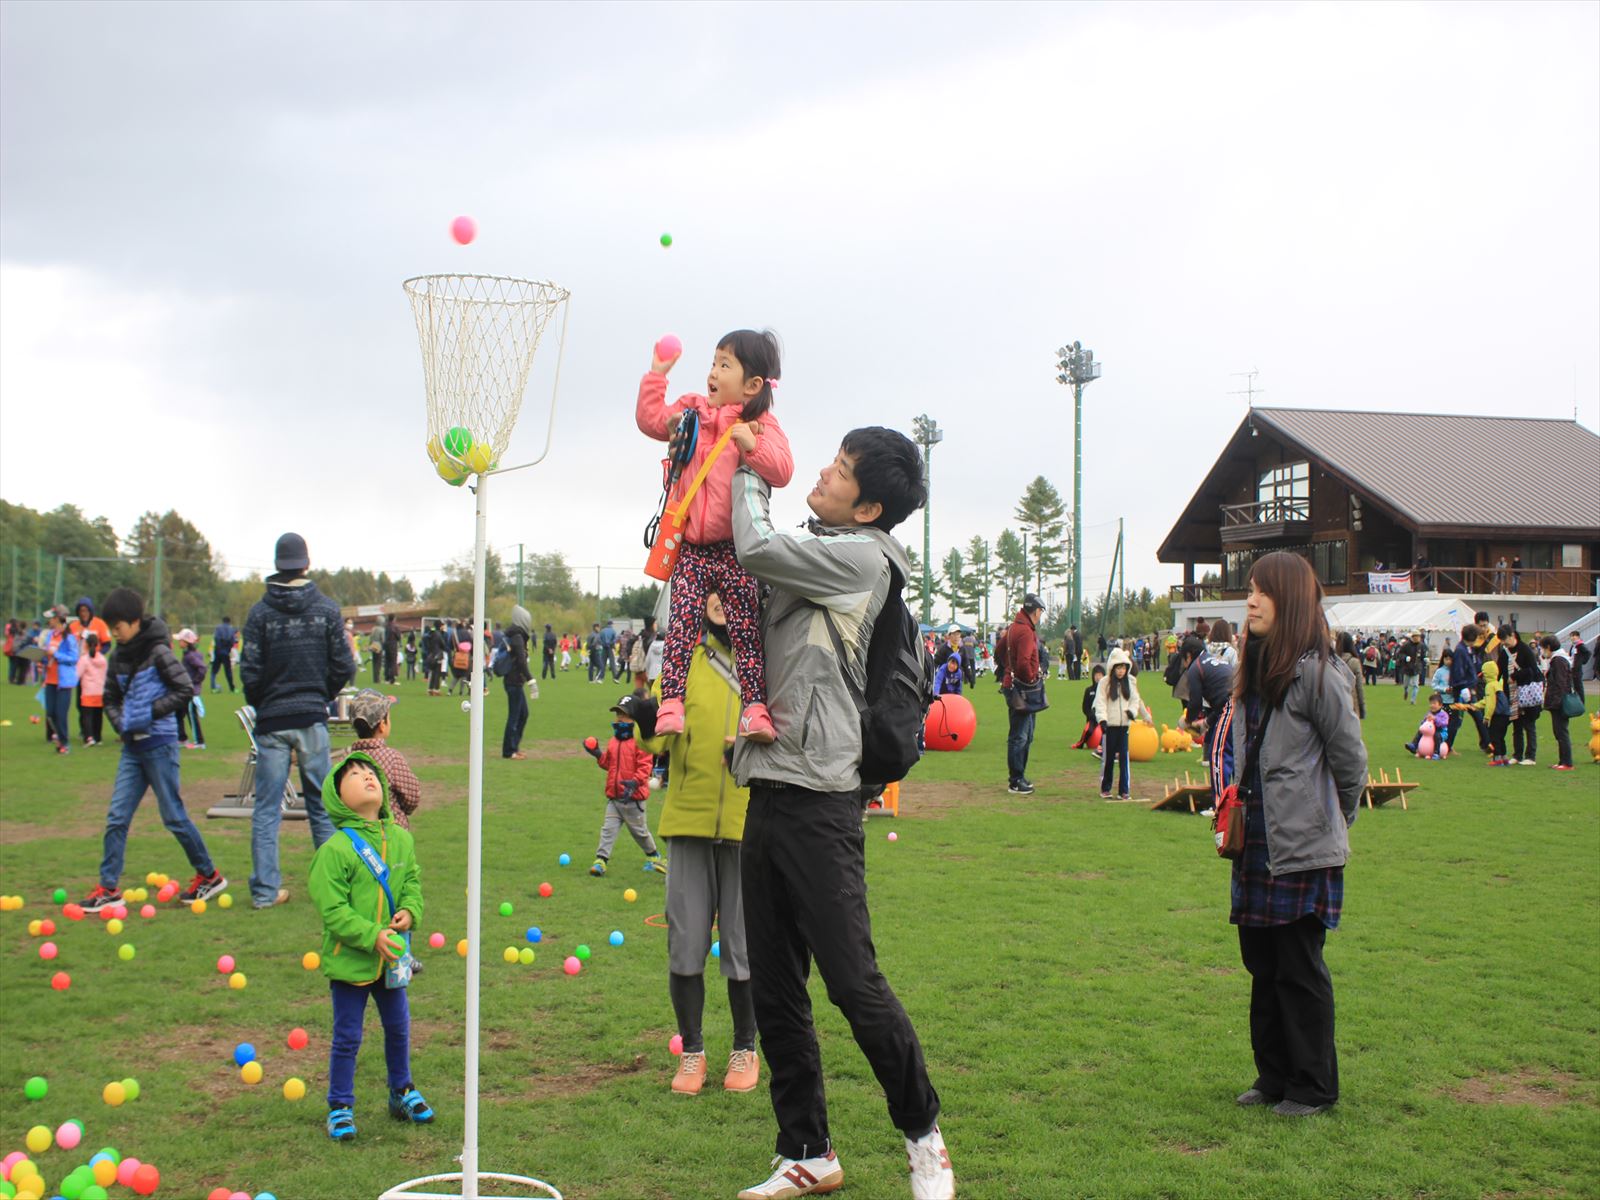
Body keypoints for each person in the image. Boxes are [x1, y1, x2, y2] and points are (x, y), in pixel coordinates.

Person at [727, 428, 953, 1200]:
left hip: (823, 799)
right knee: (775, 988)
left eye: (841, 470)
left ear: (871, 506)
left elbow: (753, 545)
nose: (823, 472)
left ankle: (924, 1137)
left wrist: (744, 464)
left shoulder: (863, 558)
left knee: (853, 982)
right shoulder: (821, 549)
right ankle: (806, 1149)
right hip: (766, 786)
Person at [1229, 551, 1366, 1118]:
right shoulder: (1251, 669)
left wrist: (1331, 822)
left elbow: (1351, 762)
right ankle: (1274, 1076)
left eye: (1262, 591)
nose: (1251, 600)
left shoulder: (1319, 672)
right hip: (1257, 843)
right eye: (1250, 590)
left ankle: (1313, 1086)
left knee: (1298, 967)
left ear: (1290, 599)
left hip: (1303, 846)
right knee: (1261, 964)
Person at [637, 330, 795, 743]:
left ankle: (755, 710)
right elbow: (650, 421)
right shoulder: (693, 410)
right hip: (691, 546)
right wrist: (657, 375)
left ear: (752, 385)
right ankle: (671, 702)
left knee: (745, 629)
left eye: (725, 365)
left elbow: (783, 469)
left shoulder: (758, 424)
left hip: (736, 550)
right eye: (713, 362)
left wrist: (751, 446)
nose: (713, 372)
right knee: (682, 623)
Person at [635, 591, 760, 1097]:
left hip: (749, 823)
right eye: (708, 589)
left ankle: (745, 1048)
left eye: (727, 587)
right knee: (685, 944)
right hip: (686, 820)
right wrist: (645, 718)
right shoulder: (684, 662)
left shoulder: (764, 661)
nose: (718, 599)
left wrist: (748, 747)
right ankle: (691, 1053)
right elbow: (659, 739)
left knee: (743, 945)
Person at [307, 753, 434, 1142]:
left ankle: (402, 1091)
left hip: (391, 962)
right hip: (351, 963)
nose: (366, 777)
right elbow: (333, 910)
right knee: (348, 1037)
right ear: (336, 797)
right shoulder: (335, 850)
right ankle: (340, 1106)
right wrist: (370, 934)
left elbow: (411, 882)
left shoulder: (401, 838)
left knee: (399, 1029)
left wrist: (411, 911)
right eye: (355, 775)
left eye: (371, 773)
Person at [80, 587, 226, 913]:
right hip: (132, 750)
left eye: (118, 627)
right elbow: (110, 698)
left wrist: (148, 713)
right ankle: (108, 887)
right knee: (116, 817)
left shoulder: (159, 651)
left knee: (173, 817)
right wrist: (122, 724)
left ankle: (209, 875)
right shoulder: (117, 657)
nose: (115, 634)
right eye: (111, 628)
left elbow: (184, 689)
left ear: (134, 622)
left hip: (160, 746)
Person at [241, 532, 358, 909]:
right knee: (322, 807)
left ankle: (264, 892)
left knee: (267, 809)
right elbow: (344, 664)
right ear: (306, 563)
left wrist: (265, 703)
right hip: (311, 719)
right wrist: (320, 694)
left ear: (277, 564)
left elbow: (249, 671)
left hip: (272, 721)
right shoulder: (326, 609)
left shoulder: (259, 614)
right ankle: (333, 891)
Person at [584, 694, 666, 876]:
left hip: (633, 799)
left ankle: (654, 856)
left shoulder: (639, 742)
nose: (620, 718)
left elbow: (645, 767)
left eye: (624, 715)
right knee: (608, 830)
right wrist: (598, 754)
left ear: (635, 718)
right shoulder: (614, 741)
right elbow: (609, 764)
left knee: (640, 833)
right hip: (614, 797)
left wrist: (634, 783)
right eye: (618, 714)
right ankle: (601, 861)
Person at [346, 690, 422, 830]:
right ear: (382, 725)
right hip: (391, 834)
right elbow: (412, 797)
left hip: (357, 836)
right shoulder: (392, 758)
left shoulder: (347, 761)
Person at [999, 594, 1046, 796]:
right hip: (1023, 689)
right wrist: (1032, 678)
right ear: (1035, 611)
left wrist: (1007, 669)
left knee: (1024, 734)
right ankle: (1016, 779)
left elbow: (999, 652)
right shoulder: (1026, 632)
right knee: (1021, 736)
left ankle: (1019, 776)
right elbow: (1023, 663)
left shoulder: (1012, 629)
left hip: (1011, 686)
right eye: (1040, 612)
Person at [1094, 648, 1151, 800]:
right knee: (1109, 759)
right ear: (1112, 667)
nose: (1121, 671)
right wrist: (1102, 720)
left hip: (1124, 726)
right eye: (1118, 668)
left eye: (1123, 668)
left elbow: (1136, 700)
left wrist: (1133, 713)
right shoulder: (1104, 683)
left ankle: (1124, 791)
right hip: (1110, 726)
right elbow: (1100, 703)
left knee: (1124, 759)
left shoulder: (1130, 682)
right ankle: (1106, 788)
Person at [41, 606, 80, 754]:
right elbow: (48, 654)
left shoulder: (69, 637)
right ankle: (59, 740)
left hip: (64, 682)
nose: (49, 621)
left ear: (58, 619)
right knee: (50, 713)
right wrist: (42, 658)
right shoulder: (51, 635)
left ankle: (65, 743)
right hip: (50, 680)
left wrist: (56, 654)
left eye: (51, 618)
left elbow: (73, 658)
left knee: (61, 714)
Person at [1454, 661, 1509, 764]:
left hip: (1497, 714)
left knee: (1494, 736)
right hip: (1505, 714)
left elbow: (1491, 703)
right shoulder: (1497, 684)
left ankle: (1497, 758)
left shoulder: (1489, 686)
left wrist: (1487, 717)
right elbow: (1487, 701)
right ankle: (1504, 757)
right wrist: (1474, 706)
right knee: (1501, 737)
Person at [1503, 626, 1542, 765]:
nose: (1504, 643)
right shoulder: (1505, 651)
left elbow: (1531, 670)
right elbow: (1501, 670)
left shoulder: (1525, 650)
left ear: (1512, 635)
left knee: (1529, 725)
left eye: (1505, 639)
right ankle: (1517, 754)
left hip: (1527, 693)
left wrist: (1514, 676)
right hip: (1513, 693)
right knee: (1516, 725)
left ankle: (1531, 756)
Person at [1539, 635, 1576, 771]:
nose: (1542, 652)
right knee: (1559, 732)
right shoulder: (1560, 659)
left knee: (1561, 732)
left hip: (1559, 702)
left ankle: (1567, 762)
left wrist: (1554, 702)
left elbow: (1560, 683)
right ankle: (1563, 761)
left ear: (1548, 647)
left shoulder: (1558, 661)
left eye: (1543, 648)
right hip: (1559, 701)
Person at [1446, 625, 1486, 751]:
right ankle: (1488, 744)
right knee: (1460, 719)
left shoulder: (1468, 649)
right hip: (1463, 690)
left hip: (1467, 688)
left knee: (1459, 719)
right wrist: (1464, 687)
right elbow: (1458, 671)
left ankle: (1447, 746)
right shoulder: (1460, 650)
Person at [502, 605, 533, 760]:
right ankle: (509, 751)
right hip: (513, 682)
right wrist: (531, 679)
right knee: (515, 716)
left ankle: (514, 747)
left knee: (522, 714)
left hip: (514, 681)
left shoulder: (516, 636)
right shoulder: (517, 638)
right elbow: (521, 661)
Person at [174, 628, 207, 749]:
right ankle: (181, 738)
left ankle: (199, 742)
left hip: (191, 692)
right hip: (186, 691)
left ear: (186, 642)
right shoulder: (189, 655)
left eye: (181, 640)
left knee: (192, 716)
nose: (179, 642)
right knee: (178, 713)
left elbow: (202, 668)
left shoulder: (191, 656)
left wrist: (194, 682)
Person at [78, 631, 108, 746]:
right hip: (100, 690)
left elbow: (78, 674)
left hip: (88, 690)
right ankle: (98, 737)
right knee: (98, 715)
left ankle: (89, 737)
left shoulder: (84, 659)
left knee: (87, 715)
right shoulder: (103, 659)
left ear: (86, 644)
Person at [1404, 693, 1451, 759]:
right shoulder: (1429, 713)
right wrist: (1425, 722)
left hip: (1441, 732)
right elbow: (1423, 723)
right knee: (1421, 731)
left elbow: (1444, 723)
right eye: (1431, 703)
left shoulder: (1444, 714)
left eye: (1434, 703)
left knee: (1436, 735)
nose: (1432, 705)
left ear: (1440, 705)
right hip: (1430, 731)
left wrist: (1435, 719)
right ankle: (1414, 745)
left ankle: (1436, 753)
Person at [1071, 664, 1106, 749]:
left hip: (1104, 717)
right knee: (1089, 730)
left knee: (1107, 730)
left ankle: (1103, 747)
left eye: (1100, 675)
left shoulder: (1107, 690)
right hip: (1092, 718)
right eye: (1096, 675)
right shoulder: (1089, 690)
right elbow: (1085, 707)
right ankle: (1080, 744)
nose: (1098, 677)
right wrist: (1091, 715)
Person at [1335, 633, 1366, 719]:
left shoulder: (1332, 662)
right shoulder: (1355, 662)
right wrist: (1362, 706)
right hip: (1351, 702)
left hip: (1336, 702)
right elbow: (1359, 686)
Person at [1397, 631, 1426, 705]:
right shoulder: (1406, 645)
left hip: (1416, 668)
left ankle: (1413, 700)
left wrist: (1425, 659)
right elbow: (1400, 654)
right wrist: (1405, 657)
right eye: (1416, 636)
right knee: (1406, 685)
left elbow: (1423, 656)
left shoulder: (1421, 645)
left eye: (1418, 636)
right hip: (1407, 667)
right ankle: (1406, 691)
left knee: (1416, 685)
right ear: (1412, 637)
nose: (1417, 638)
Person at [211, 615, 238, 691]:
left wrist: (218, 647)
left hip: (218, 651)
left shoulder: (218, 628)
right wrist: (228, 648)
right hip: (226, 652)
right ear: (229, 622)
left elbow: (216, 638)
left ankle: (213, 688)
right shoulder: (231, 629)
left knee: (214, 671)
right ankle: (232, 688)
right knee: (228, 671)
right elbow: (233, 640)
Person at [422, 622, 444, 696]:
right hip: (437, 655)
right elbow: (443, 644)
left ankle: (430, 689)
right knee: (437, 674)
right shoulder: (438, 634)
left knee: (432, 673)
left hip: (430, 655)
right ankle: (436, 690)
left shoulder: (430, 634)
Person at [1569, 632, 1590, 699]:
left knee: (1578, 687)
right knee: (1574, 686)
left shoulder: (1580, 645)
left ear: (1578, 637)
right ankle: (1577, 702)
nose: (1572, 637)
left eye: (1574, 636)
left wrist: (1582, 661)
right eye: (1571, 636)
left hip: (1577, 669)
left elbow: (1588, 653)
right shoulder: (1573, 645)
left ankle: (1581, 702)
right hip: (1572, 667)